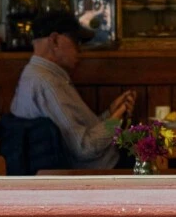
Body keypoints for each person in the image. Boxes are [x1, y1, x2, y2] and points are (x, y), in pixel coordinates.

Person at [10, 11, 136, 169]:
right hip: (101, 171)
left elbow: (83, 132)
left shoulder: (36, 74)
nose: (80, 50)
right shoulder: (48, 84)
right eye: (76, 42)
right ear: (55, 40)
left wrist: (111, 112)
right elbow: (84, 148)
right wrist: (116, 121)